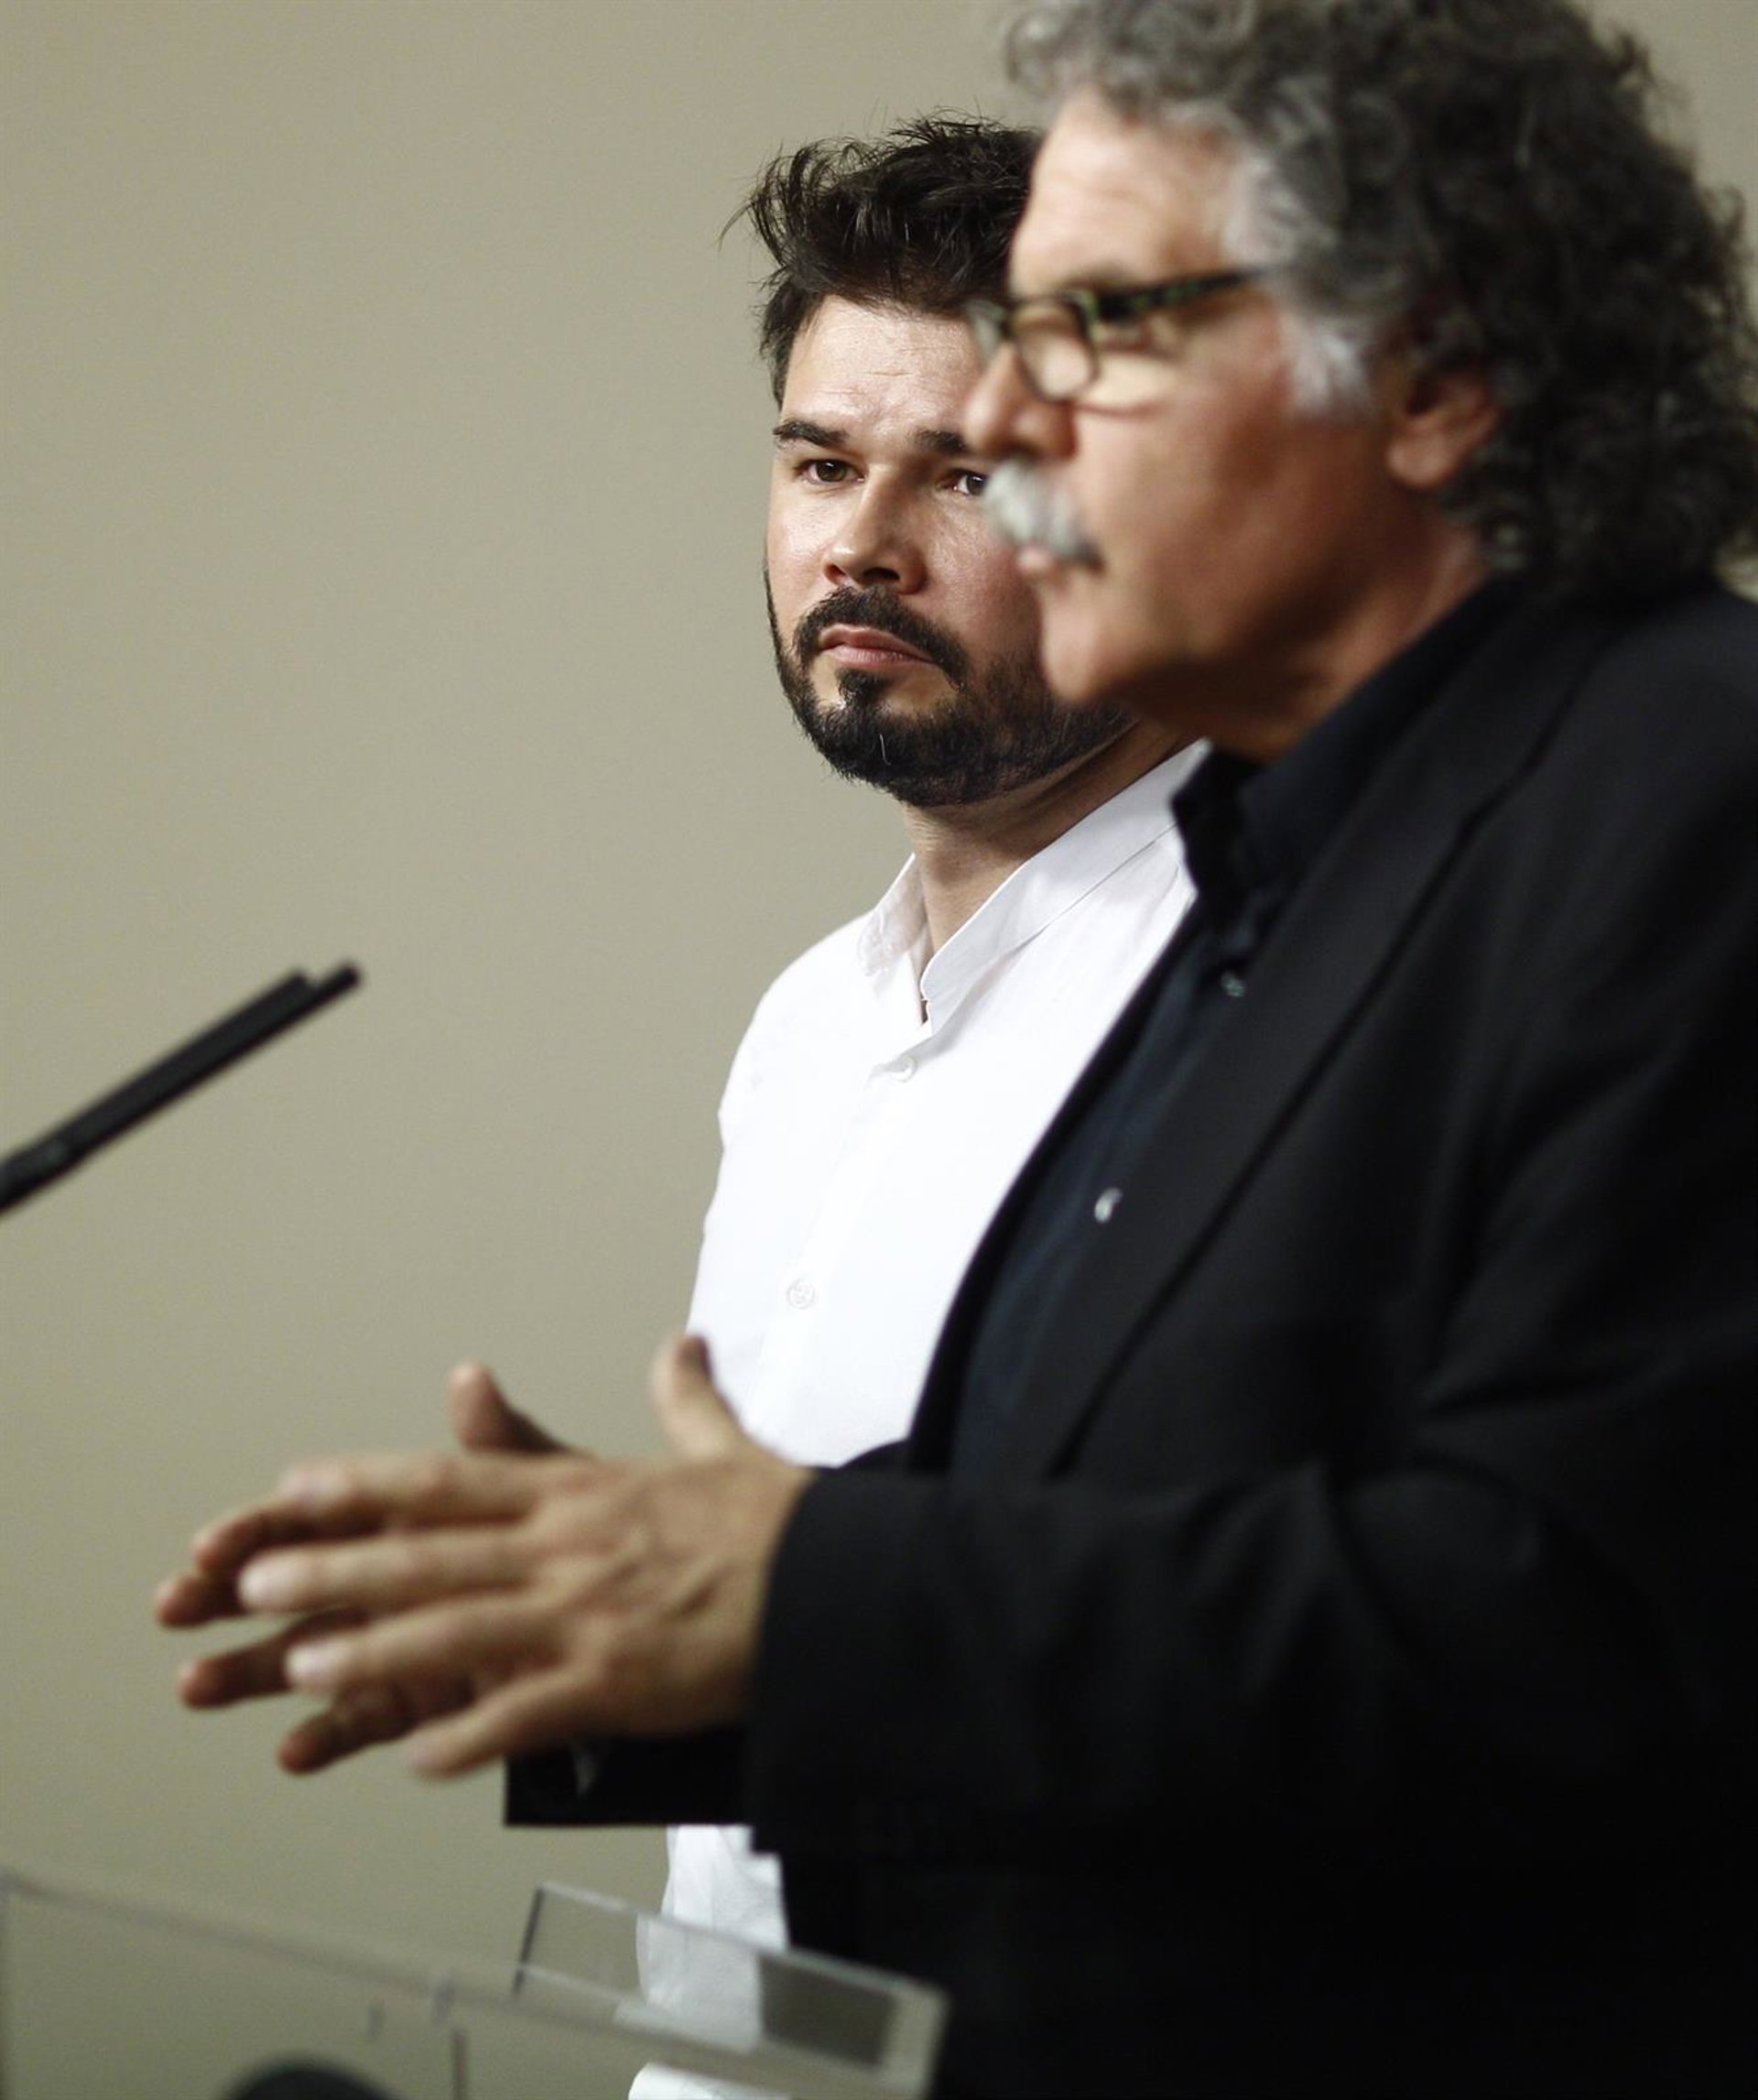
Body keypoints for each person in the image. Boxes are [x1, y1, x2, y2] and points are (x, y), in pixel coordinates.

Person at [161, 5, 1758, 2094]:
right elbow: (1171, 1577)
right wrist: (627, 1619)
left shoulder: (1689, 786)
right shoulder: (1308, 871)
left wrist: (799, 1595)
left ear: (1436, 378)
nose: (1005, 418)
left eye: (1093, 327)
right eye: (828, 452)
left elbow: (1583, 1639)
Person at [159, 114, 1196, 1968]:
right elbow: (854, 1652)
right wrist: (594, 1627)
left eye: (964, 476)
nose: (860, 544)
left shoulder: (1261, 985)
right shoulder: (808, 1024)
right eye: (821, 461)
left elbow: (1248, 1657)